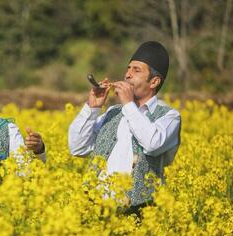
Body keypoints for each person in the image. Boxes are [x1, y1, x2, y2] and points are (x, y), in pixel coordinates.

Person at [68, 41, 181, 215]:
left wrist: (128, 104)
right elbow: (78, 147)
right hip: (94, 208)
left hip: (138, 213)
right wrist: (92, 107)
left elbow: (152, 144)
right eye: (128, 69)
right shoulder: (114, 112)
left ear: (154, 82)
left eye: (136, 70)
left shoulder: (169, 117)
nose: (127, 74)